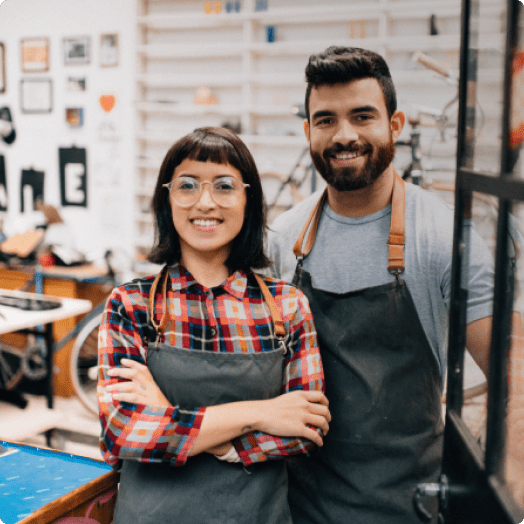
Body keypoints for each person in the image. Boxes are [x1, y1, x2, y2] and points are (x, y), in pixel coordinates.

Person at [267, 46, 496, 523]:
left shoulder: (444, 236)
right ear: (309, 132)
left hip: (406, 506)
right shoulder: (283, 240)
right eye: (326, 120)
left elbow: (510, 375)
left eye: (362, 116)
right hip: (299, 507)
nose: (344, 135)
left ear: (396, 125)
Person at [98, 127, 330, 524]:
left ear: (248, 199)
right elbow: (122, 431)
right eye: (187, 185)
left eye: (224, 186)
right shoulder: (131, 304)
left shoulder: (287, 306)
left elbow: (304, 427)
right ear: (166, 199)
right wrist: (261, 413)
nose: (205, 202)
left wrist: (167, 413)